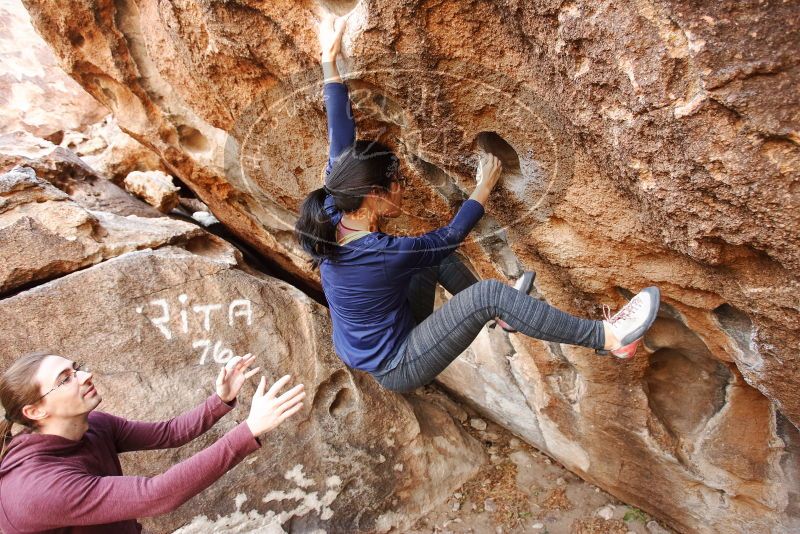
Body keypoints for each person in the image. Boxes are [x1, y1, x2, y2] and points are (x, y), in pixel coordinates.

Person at [295, 13, 661, 394]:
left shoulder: (336, 201)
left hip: (379, 330)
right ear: (375, 195)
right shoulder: (379, 251)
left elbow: (340, 137)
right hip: (397, 362)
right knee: (484, 292)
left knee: (434, 259)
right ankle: (610, 338)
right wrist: (483, 186)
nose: (404, 187)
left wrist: (329, 60)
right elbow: (451, 235)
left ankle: (507, 316)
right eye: (398, 182)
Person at [0, 351, 305, 533]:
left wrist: (220, 400)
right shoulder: (37, 488)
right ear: (35, 411)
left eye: (76, 367)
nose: (86, 375)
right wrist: (248, 429)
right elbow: (157, 494)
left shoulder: (92, 426)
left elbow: (168, 433)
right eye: (65, 379)